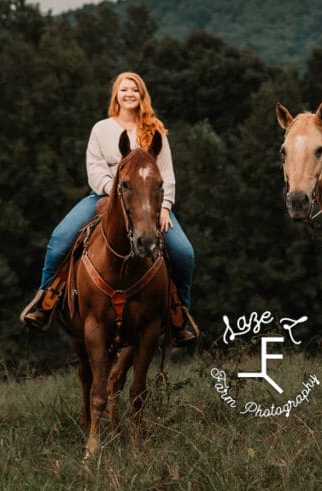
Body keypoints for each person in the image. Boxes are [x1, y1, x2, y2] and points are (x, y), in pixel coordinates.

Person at [20, 72, 196, 344]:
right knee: (60, 238)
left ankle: (178, 313)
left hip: (148, 202)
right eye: (124, 89)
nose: (129, 94)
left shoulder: (155, 130)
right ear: (116, 94)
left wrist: (165, 208)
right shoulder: (101, 129)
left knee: (184, 252)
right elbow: (95, 168)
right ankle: (47, 300)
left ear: (141, 95)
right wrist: (111, 193)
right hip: (104, 196)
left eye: (134, 90)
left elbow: (166, 175)